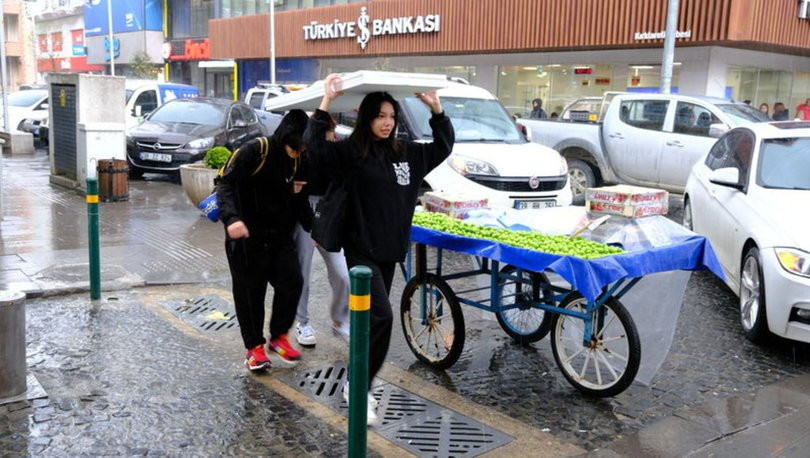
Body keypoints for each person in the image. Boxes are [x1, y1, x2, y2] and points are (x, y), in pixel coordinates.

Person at [305, 74, 455, 425]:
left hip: (389, 252)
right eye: (380, 116)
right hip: (361, 254)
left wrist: (436, 109)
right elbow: (315, 148)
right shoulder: (352, 153)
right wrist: (325, 102)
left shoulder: (407, 153)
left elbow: (443, 145)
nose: (387, 123)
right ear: (367, 118)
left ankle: (356, 380)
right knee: (382, 318)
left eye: (391, 116)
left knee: (368, 323)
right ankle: (360, 387)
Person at [217, 110, 311, 371]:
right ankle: (254, 348)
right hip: (246, 235)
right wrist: (232, 219)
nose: (298, 154)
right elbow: (224, 184)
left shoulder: (299, 158)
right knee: (251, 293)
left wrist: (315, 230)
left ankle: (279, 337)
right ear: (286, 138)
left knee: (293, 282)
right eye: (295, 149)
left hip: (280, 235)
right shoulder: (256, 150)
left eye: (302, 150)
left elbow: (300, 199)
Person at [293, 114, 351, 348]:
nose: (333, 133)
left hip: (329, 213)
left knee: (343, 274)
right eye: (329, 129)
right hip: (304, 210)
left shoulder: (336, 150)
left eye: (333, 129)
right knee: (302, 270)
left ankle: (339, 319)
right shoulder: (302, 152)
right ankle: (302, 322)